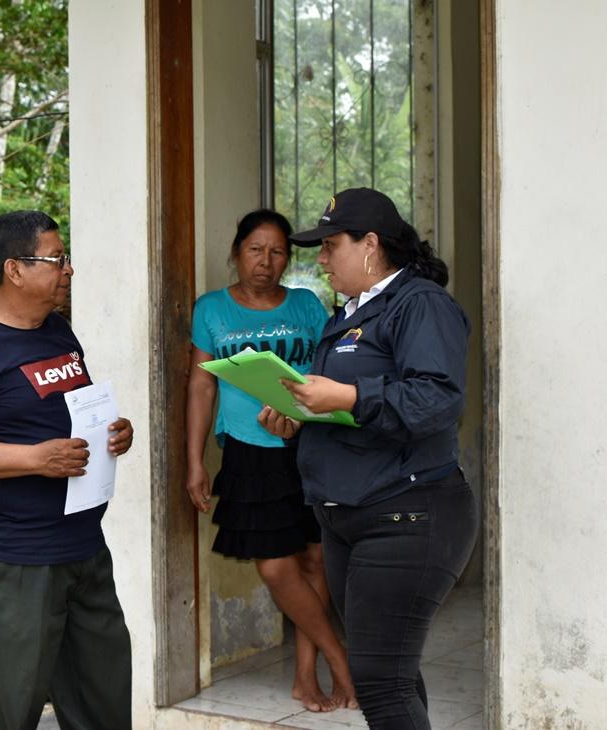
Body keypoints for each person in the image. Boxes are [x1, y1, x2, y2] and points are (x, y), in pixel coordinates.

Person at [259, 187, 477, 728]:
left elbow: (438, 400)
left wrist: (349, 396)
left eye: (331, 246)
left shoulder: (420, 303)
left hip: (407, 511)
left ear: (371, 245)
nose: (322, 260)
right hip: (345, 514)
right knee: (392, 673)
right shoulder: (349, 314)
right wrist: (297, 417)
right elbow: (345, 412)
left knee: (378, 680)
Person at [0, 210, 135, 730]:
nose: (68, 270)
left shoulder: (59, 333)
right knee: (11, 709)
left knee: (103, 701)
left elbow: (71, 412)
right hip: (16, 556)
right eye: (57, 259)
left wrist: (111, 432)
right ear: (14, 269)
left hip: (83, 546)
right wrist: (34, 459)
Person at [185, 208, 356, 712]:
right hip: (248, 448)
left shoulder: (307, 304)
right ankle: (339, 659)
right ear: (236, 253)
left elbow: (329, 368)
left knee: (315, 558)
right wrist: (195, 460)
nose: (266, 261)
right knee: (277, 566)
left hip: (312, 444)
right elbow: (200, 384)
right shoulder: (212, 309)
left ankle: (306, 676)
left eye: (278, 251)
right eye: (255, 250)